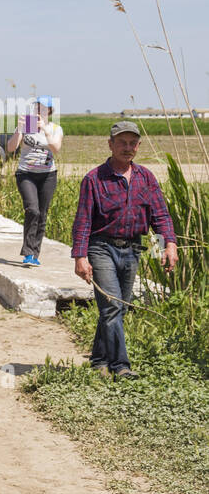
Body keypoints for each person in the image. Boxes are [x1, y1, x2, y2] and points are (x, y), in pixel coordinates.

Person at [71, 121, 178, 379]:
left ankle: (99, 359)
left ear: (138, 146)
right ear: (111, 145)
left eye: (132, 143)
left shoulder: (146, 177)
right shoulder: (94, 179)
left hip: (132, 249)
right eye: (122, 143)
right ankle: (121, 366)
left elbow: (160, 216)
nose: (127, 148)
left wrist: (169, 246)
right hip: (101, 247)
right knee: (112, 306)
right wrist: (80, 257)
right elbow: (83, 221)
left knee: (119, 307)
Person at [7, 96, 64, 266]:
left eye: (43, 109)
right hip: (26, 174)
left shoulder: (55, 128)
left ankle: (34, 255)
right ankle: (27, 251)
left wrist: (45, 129)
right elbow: (11, 148)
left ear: (50, 111)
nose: (39, 111)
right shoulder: (26, 127)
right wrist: (19, 129)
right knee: (32, 209)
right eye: (37, 108)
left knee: (43, 213)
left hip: (48, 175)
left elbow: (56, 148)